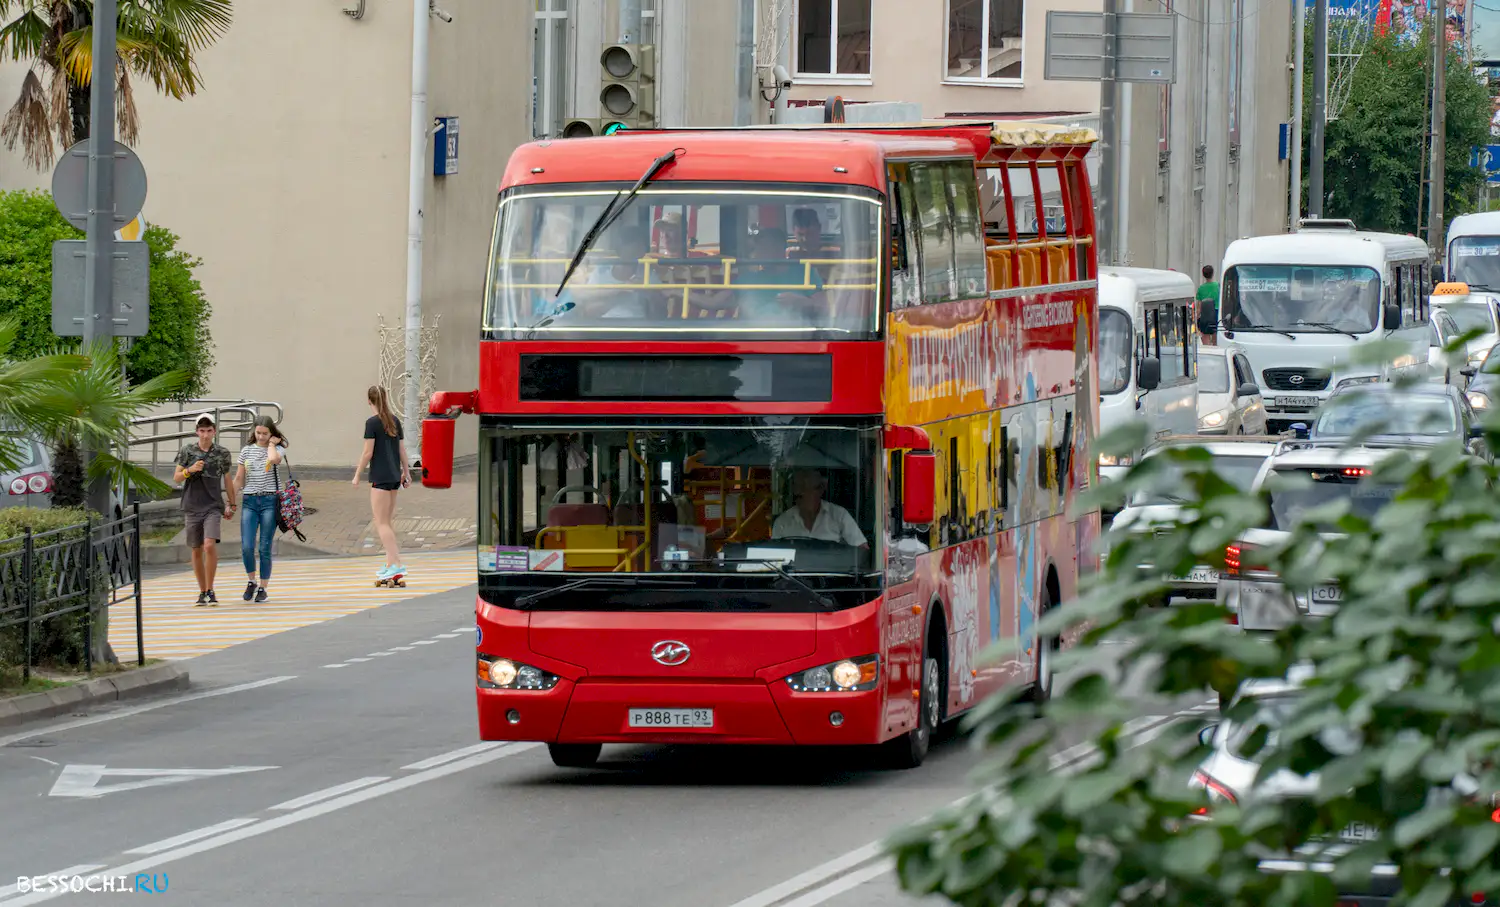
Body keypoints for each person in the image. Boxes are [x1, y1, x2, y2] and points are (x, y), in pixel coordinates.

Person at [173, 414, 236, 606]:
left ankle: (211, 589)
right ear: (197, 432)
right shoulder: (187, 451)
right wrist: (190, 470)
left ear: (214, 431)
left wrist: (232, 503)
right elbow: (176, 477)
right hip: (192, 505)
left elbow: (227, 479)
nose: (205, 435)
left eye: (209, 431)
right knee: (196, 548)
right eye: (202, 431)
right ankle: (202, 591)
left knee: (209, 545)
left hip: (213, 505)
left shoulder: (222, 453)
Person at [354, 385, 411, 584]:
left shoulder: (371, 423)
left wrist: (357, 474)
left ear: (369, 401)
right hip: (394, 476)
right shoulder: (395, 420)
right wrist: (406, 472)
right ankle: (390, 564)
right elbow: (402, 450)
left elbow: (367, 453)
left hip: (380, 476)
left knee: (381, 523)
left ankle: (397, 564)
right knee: (387, 521)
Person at [234, 417, 287, 603]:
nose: (261, 436)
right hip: (249, 500)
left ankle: (263, 587)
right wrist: (230, 501)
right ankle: (251, 581)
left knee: (264, 547)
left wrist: (272, 444)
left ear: (271, 433)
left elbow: (274, 459)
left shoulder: (278, 449)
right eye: (258, 433)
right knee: (247, 546)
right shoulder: (246, 450)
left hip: (269, 501)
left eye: (265, 433)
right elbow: (239, 478)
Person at [770, 469, 868, 547]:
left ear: (821, 490)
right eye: (801, 489)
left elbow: (862, 549)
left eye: (810, 488)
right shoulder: (782, 522)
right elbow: (774, 556)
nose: (805, 494)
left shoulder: (839, 515)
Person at [1197, 265, 1221, 345]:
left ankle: (1206, 349)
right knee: (1215, 333)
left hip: (1205, 314)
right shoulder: (1218, 286)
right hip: (1216, 313)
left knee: (1205, 334)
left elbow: (1199, 307)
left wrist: (1197, 318)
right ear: (1213, 273)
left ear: (1203, 275)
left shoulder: (1201, 288)